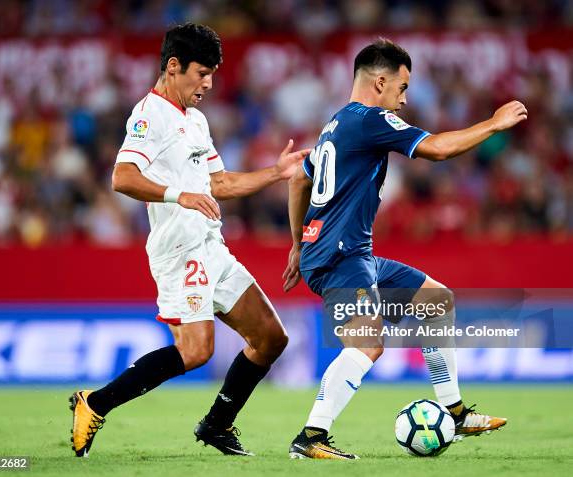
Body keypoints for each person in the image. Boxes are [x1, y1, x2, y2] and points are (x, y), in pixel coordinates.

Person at [69, 23, 310, 458]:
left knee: (272, 337)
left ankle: (217, 425)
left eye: (213, 74)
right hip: (178, 252)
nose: (209, 84)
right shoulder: (149, 114)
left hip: (211, 247)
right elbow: (122, 177)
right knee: (196, 351)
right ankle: (95, 403)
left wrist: (275, 174)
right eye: (201, 73)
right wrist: (179, 194)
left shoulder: (195, 120)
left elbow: (220, 182)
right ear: (173, 66)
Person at [283, 38, 527, 459]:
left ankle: (454, 411)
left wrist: (295, 245)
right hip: (340, 255)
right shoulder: (370, 120)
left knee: (435, 300)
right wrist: (493, 124)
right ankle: (311, 437)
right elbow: (436, 149)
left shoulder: (335, 125)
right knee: (367, 343)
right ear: (380, 82)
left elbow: (298, 181)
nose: (405, 96)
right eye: (402, 86)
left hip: (348, 253)